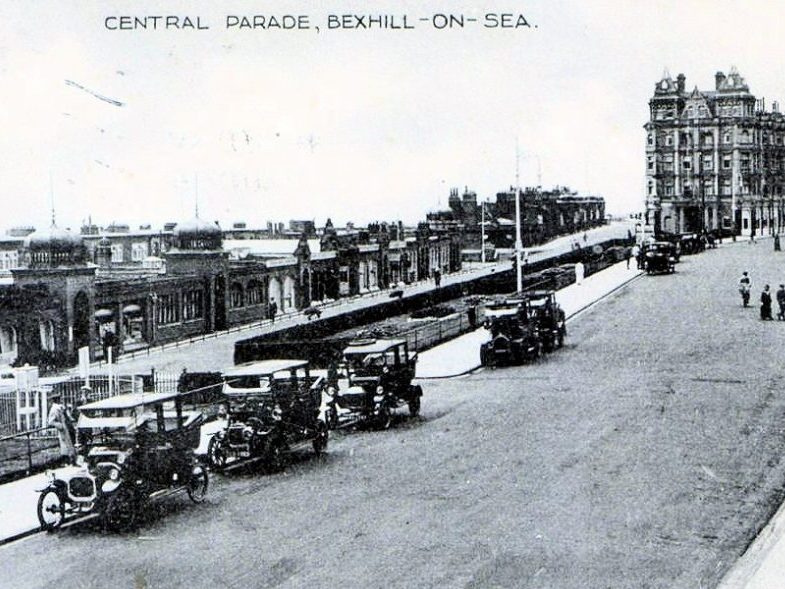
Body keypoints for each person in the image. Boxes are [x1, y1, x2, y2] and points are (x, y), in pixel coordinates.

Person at [47, 392, 77, 466]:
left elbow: (67, 417)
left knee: (72, 444)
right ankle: (67, 462)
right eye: (58, 399)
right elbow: (51, 421)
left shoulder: (61, 407)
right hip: (63, 429)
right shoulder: (54, 409)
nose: (60, 400)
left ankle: (73, 461)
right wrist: (60, 426)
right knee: (66, 446)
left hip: (68, 427)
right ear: (55, 400)